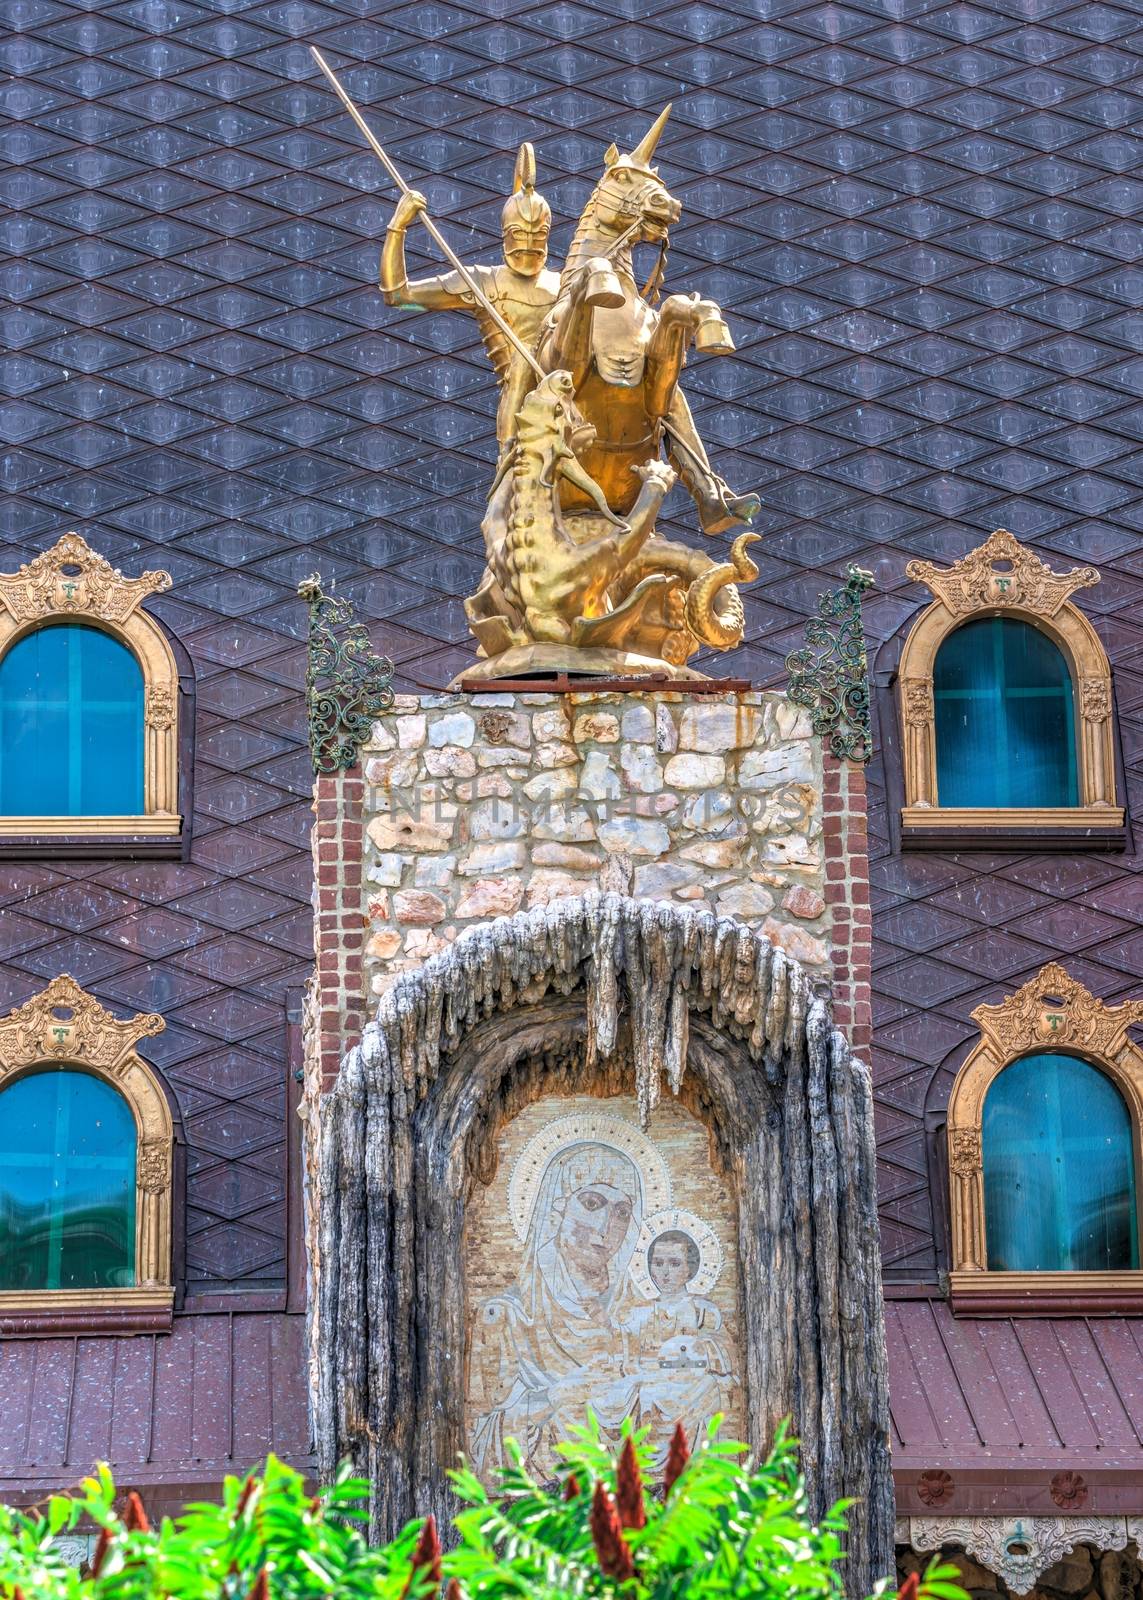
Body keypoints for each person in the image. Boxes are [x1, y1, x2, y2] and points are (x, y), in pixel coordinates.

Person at [381, 143, 559, 453]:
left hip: (568, 398)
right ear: (506, 232)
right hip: (520, 406)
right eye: (520, 233)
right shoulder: (480, 281)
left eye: (537, 235)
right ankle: (508, 455)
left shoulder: (566, 283)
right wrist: (398, 226)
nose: (529, 244)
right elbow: (399, 294)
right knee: (522, 361)